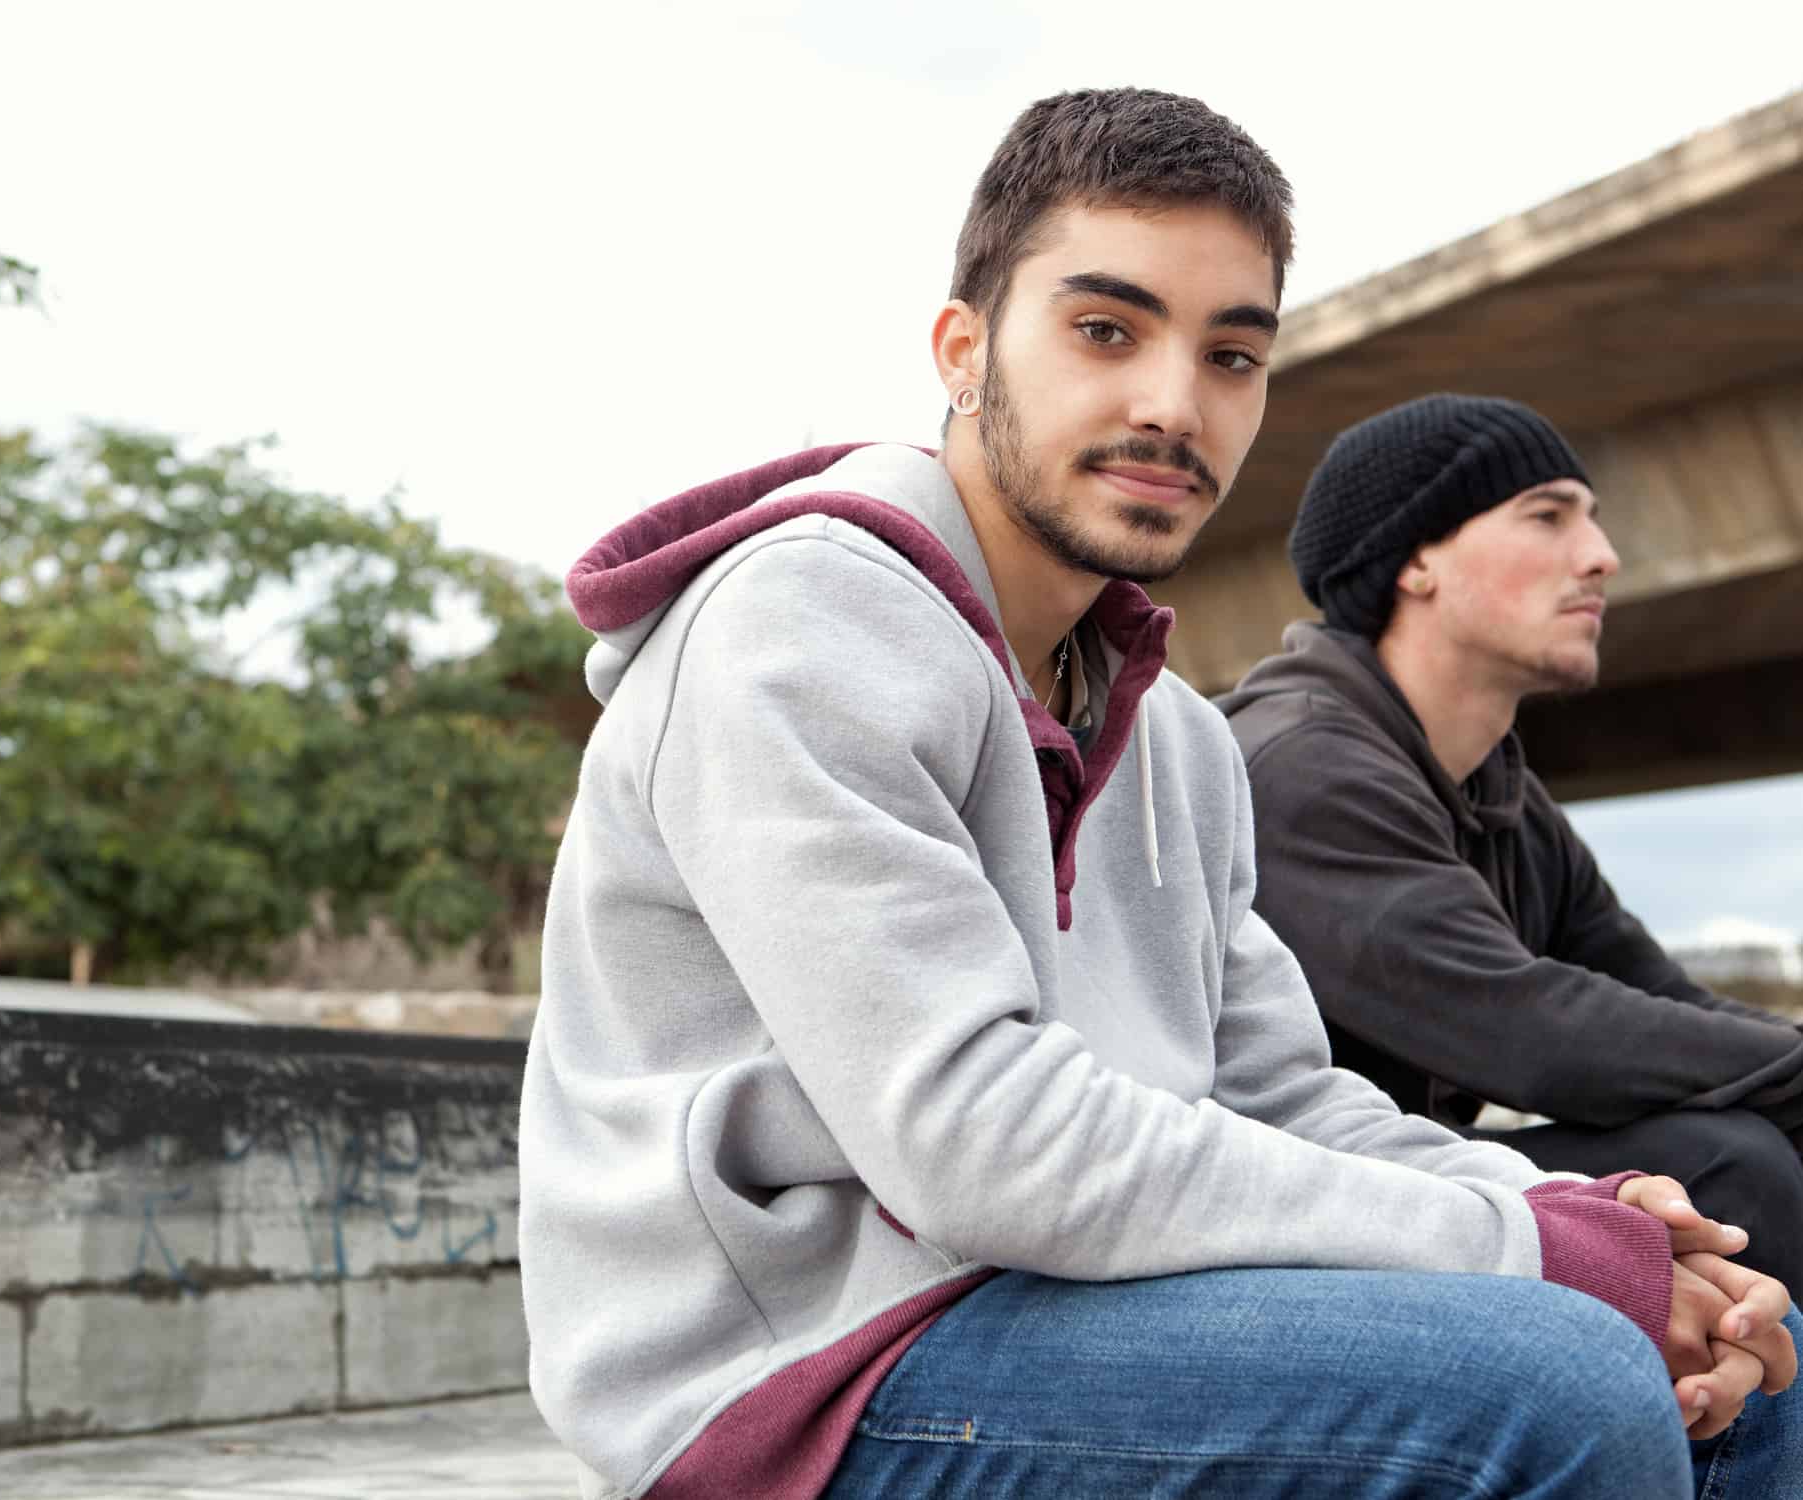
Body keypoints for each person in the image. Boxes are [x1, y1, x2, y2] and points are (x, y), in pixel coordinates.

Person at [519, 91, 1800, 1500]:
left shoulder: (1178, 742)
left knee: (1751, 1349)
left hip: (1064, 1293)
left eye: (1231, 355)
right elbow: (975, 1143)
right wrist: (1532, 1257)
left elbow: (1279, 1095)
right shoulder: (800, 626)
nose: (1171, 405)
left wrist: (1560, 1208)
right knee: (1562, 1391)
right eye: (1102, 330)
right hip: (810, 1366)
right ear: (961, 350)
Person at [1221, 392, 1803, 1296]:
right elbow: (1531, 1034)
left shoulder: (1503, 794)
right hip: (1260, 1208)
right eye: (1548, 517)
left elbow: (1653, 1000)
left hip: (1399, 1177)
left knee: (1750, 1128)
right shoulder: (1302, 768)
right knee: (1727, 1167)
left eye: (1593, 522)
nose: (1602, 557)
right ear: (1416, 560)